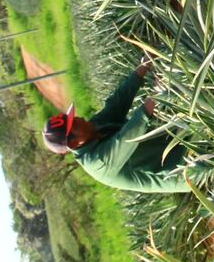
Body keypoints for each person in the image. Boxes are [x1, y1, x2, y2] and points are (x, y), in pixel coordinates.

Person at [42, 59, 193, 193]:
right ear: (74, 142)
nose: (79, 118)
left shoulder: (92, 128)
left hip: (180, 141)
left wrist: (143, 66)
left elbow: (118, 102)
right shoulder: (97, 163)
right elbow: (130, 135)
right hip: (186, 170)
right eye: (74, 123)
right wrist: (157, 92)